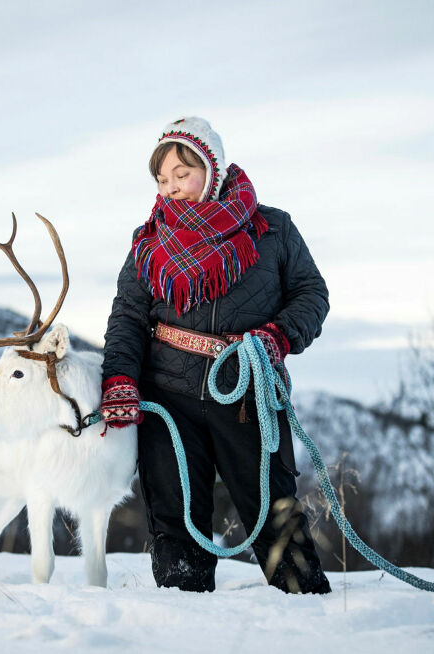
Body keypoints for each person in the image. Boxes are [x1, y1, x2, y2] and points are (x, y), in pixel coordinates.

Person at [100, 116, 332, 594]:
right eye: (163, 180)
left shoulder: (272, 230)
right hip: (168, 397)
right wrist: (120, 377)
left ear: (213, 167)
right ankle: (184, 622)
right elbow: (127, 315)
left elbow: (312, 294)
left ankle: (309, 613)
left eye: (181, 175)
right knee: (175, 520)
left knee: (273, 515)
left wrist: (277, 337)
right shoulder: (149, 242)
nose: (171, 189)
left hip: (246, 394)